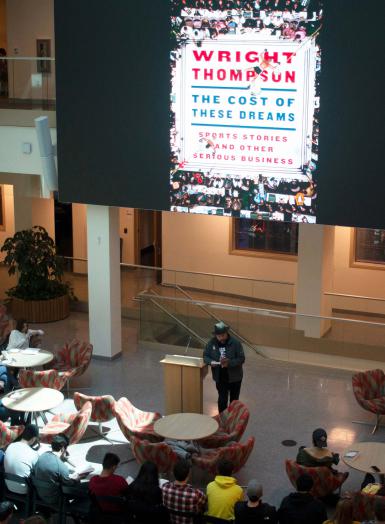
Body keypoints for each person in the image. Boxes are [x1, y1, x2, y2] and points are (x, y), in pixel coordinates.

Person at [33, 434, 88, 505]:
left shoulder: (42, 456)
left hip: (40, 494)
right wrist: (77, 478)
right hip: (55, 498)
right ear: (63, 448)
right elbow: (69, 484)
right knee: (86, 486)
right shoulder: (60, 466)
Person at [204, 321, 245, 413]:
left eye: (223, 335)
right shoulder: (212, 343)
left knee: (234, 401)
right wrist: (211, 362)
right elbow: (205, 356)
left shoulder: (235, 343)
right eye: (218, 336)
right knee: (222, 400)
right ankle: (222, 420)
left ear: (227, 333)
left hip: (235, 377)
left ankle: (233, 420)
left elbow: (241, 359)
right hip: (220, 377)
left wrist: (229, 363)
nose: (221, 338)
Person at [162, 459, 206, 524]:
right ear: (188, 475)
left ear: (174, 473)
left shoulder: (164, 487)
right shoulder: (195, 493)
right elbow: (204, 502)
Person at [4, 424, 39, 494]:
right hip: (24, 489)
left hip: (8, 484)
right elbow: (37, 470)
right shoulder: (33, 453)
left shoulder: (10, 446)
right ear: (33, 439)